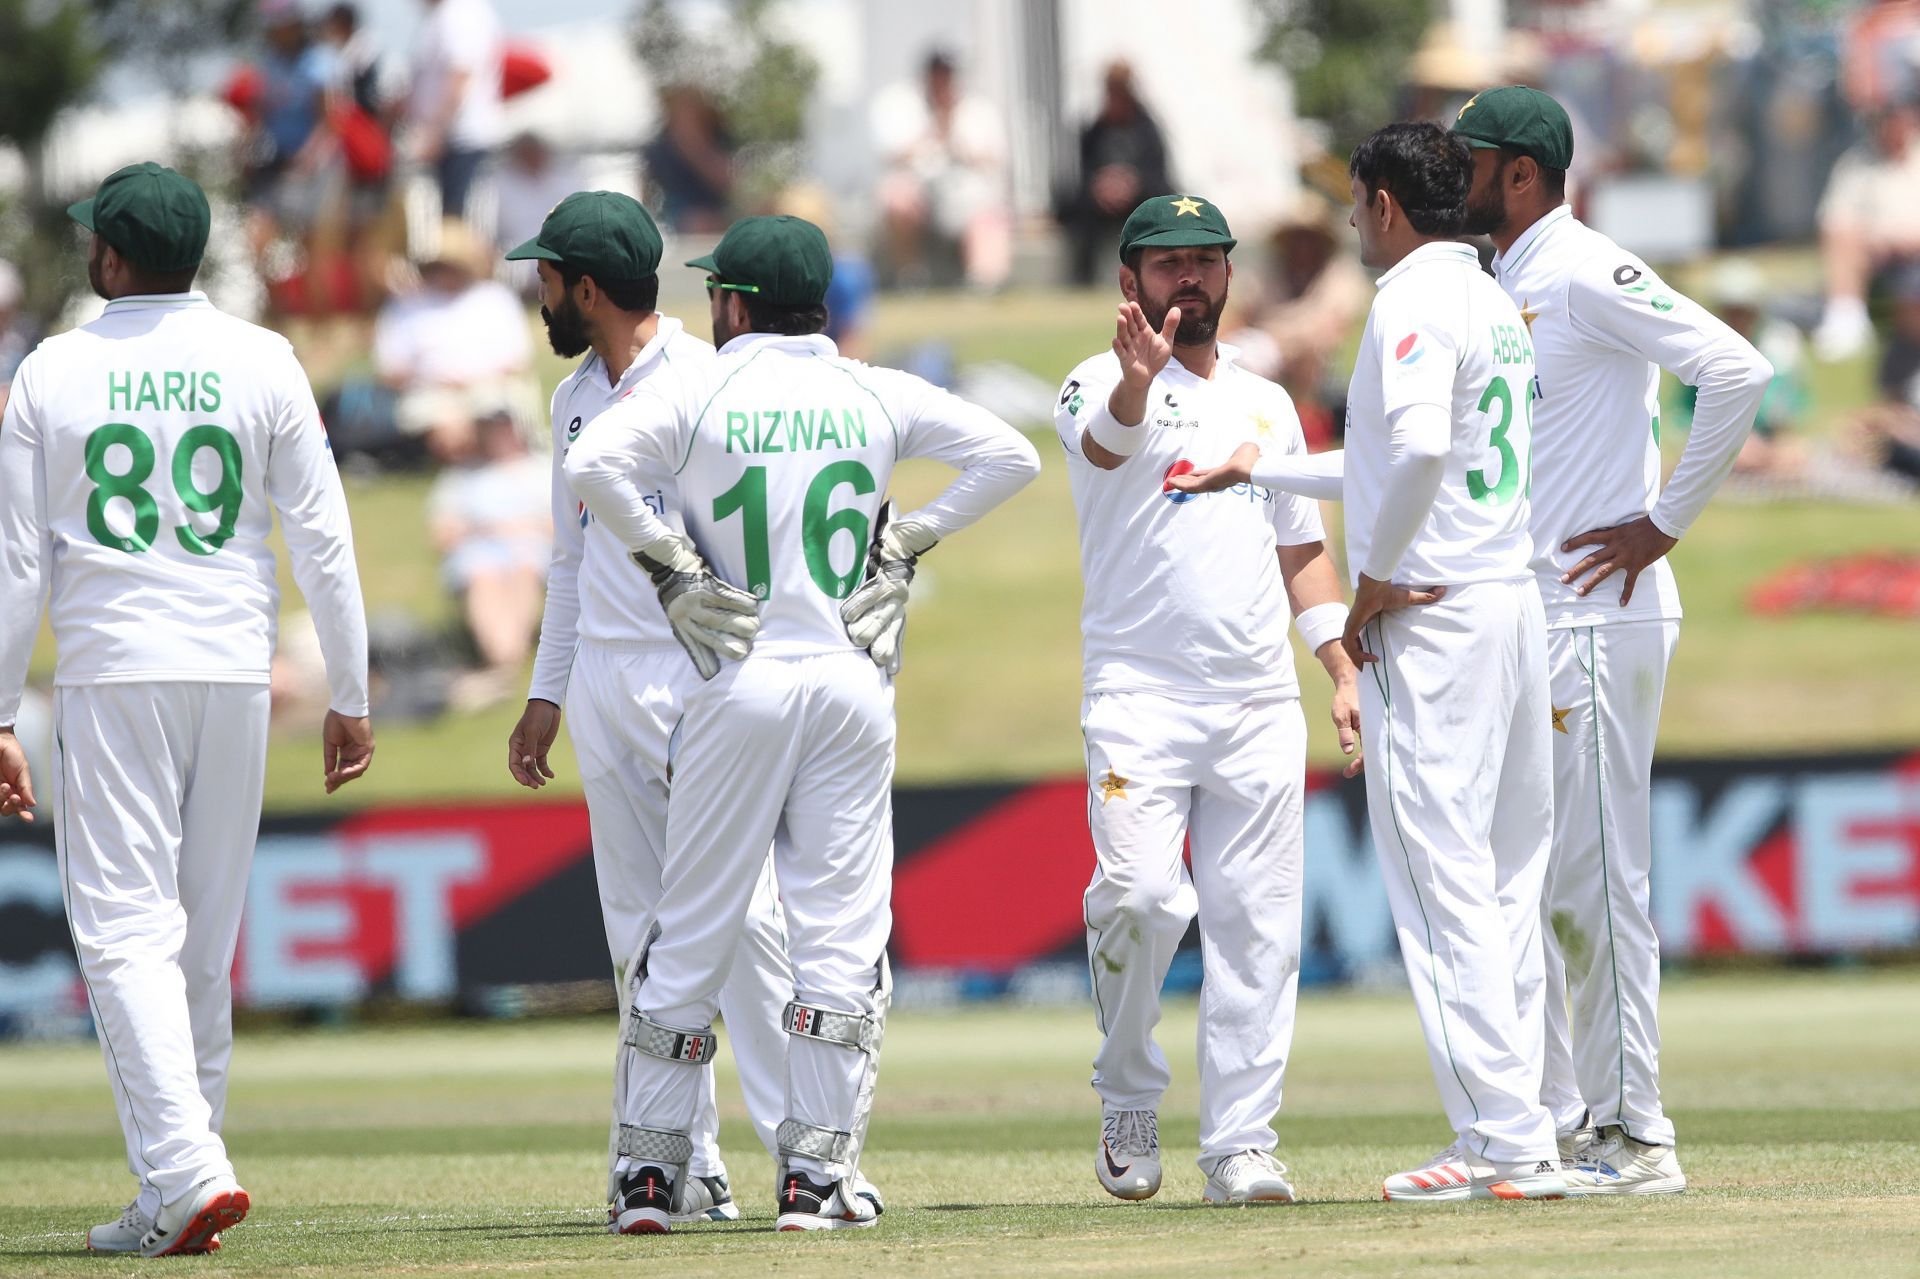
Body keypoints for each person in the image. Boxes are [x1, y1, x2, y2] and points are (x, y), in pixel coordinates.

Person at [565, 215, 1038, 1231]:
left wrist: (671, 567)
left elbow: (591, 466)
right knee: (838, 938)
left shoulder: (699, 387)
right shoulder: (869, 387)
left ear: (733, 305)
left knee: (689, 927)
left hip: (739, 677)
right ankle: (815, 1180)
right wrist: (906, 544)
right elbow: (1009, 457)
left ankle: (651, 1176)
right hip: (852, 677)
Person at [1171, 122, 1568, 1202]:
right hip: (1509, 605)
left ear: (1387, 202)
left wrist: (1377, 583)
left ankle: (1503, 1136)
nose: (1352, 221)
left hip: (1433, 622)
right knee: (1504, 876)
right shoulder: (1490, 294)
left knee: (1443, 886)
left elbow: (1423, 450)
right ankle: (1530, 1121)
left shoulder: (1409, 299)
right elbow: (1410, 452)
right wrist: (1272, 471)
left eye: (1355, 201)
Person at [0, 162, 372, 1254]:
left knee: (122, 934)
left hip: (117, 670)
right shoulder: (262, 356)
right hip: (235, 666)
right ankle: (179, 1189)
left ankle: (186, 1164)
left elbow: (19, 560)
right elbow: (324, 533)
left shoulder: (54, 370)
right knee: (199, 946)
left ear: (111, 258)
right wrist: (347, 690)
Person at [1454, 85, 1770, 1193]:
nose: (1456, 178)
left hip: (1601, 611)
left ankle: (1639, 1137)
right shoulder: (1501, 280)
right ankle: (1573, 1123)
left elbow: (1736, 368)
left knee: (1598, 881)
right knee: (1545, 889)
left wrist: (1662, 521)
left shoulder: (1584, 265)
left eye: (1472, 161)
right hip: (1542, 613)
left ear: (1524, 177)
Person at [1052, 194, 1362, 1206]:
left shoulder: (1267, 399)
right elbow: (1105, 445)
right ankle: (1128, 1091)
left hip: (1255, 700)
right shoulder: (1095, 381)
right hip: (1140, 695)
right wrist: (1139, 386)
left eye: (1206, 261)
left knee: (1257, 927)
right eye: (1168, 262)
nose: (1190, 277)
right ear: (1129, 281)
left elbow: (1301, 547)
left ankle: (1241, 1141)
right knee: (1143, 902)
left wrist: (1342, 666)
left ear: (1231, 274)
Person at [500, 191, 801, 1228]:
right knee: (639, 933)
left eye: (545, 278)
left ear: (586, 287)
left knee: (748, 922)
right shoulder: (571, 398)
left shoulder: (712, 383)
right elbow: (571, 557)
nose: (536, 294)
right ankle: (685, 1162)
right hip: (606, 687)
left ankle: (803, 1152)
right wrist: (546, 692)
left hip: (706, 678)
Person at [372, 218, 534, 462]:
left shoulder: (495, 299)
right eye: (438, 266)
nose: (444, 273)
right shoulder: (406, 306)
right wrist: (436, 381)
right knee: (442, 421)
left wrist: (471, 381)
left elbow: (517, 360)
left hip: (488, 389)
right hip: (429, 394)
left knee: (495, 407)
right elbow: (390, 369)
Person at [427, 410, 550, 708]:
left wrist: (518, 529)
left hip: (529, 545)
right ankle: (503, 658)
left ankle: (506, 661)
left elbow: (563, 521)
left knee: (525, 566)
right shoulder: (462, 476)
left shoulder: (542, 469)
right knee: (482, 574)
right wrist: (486, 530)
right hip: (478, 548)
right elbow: (443, 532)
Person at [874, 51, 1011, 290]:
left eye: (946, 76)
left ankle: (984, 282)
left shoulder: (978, 110)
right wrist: (932, 131)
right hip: (920, 194)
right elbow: (890, 155)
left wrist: (957, 144)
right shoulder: (904, 105)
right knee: (897, 197)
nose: (941, 83)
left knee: (989, 213)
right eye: (936, 76)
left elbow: (994, 159)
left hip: (967, 195)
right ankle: (910, 277)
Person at [1812, 94, 1920, 360]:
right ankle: (1846, 319)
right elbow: (1835, 218)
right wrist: (1878, 239)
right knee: (1843, 235)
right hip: (1876, 256)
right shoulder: (1856, 163)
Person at [1059, 61, 1172, 285]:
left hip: (1139, 198)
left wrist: (1131, 184)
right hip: (1101, 201)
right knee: (1075, 207)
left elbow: (1158, 173)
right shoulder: (1095, 130)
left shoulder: (1147, 128)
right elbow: (1084, 171)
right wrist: (1102, 187)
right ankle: (1082, 279)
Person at [405, 0, 505, 219]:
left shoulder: (462, 13)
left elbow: (460, 75)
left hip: (462, 140)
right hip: (449, 141)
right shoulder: (444, 15)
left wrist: (435, 133)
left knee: (456, 224)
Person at [641, 86, 736, 234]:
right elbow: (646, 192)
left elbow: (728, 184)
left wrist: (696, 147)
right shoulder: (660, 148)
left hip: (721, 210)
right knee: (700, 223)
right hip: (679, 216)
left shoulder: (718, 139)